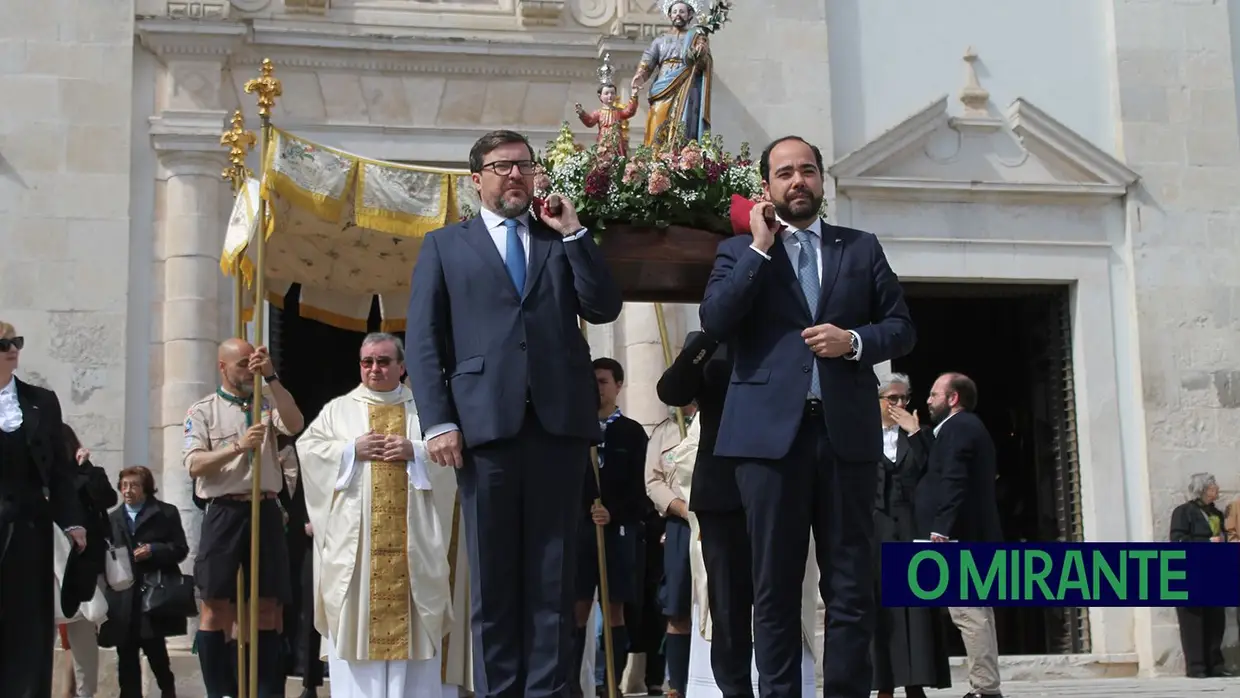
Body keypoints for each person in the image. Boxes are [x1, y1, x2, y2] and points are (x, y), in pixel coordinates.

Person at [405, 129, 623, 698]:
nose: (515, 176)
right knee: (496, 581)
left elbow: (604, 305)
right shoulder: (444, 246)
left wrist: (574, 232)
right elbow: (425, 341)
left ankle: (549, 691)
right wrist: (439, 420)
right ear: (476, 179)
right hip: (485, 429)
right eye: (502, 167)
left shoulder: (559, 239)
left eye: (524, 165)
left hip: (559, 428)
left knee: (554, 578)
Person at [697, 136, 916, 698]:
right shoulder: (738, 252)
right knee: (773, 584)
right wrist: (759, 248)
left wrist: (854, 341)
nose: (798, 181)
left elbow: (901, 327)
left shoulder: (859, 248)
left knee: (849, 585)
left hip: (844, 437)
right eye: (785, 173)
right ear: (766, 186)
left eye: (808, 171)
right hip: (768, 444)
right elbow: (717, 318)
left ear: (822, 180)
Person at [297, 333, 468, 698]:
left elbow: (453, 457)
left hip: (413, 552)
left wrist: (416, 451)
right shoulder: (339, 410)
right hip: (358, 558)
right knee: (357, 636)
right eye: (367, 362)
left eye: (384, 361)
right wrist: (349, 450)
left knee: (418, 636)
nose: (374, 368)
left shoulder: (426, 410)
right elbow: (308, 451)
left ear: (402, 366)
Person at [657, 331, 819, 697]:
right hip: (721, 492)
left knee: (776, 604)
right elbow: (672, 391)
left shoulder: (787, 335)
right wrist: (709, 338)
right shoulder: (707, 341)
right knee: (727, 611)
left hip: (779, 490)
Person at [182, 338, 305, 698]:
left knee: (267, 605)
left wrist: (272, 377)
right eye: (242, 365)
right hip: (225, 510)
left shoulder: (267, 404)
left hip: (264, 508)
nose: (249, 371)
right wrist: (236, 447)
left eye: (254, 363)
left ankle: (265, 690)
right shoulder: (203, 410)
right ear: (222, 367)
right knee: (215, 606)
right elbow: (193, 463)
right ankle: (220, 690)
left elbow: (295, 423)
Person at [0, 321, 88, 698]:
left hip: (29, 526)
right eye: (3, 343)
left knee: (29, 626)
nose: (12, 349)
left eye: (16, 342)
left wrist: (72, 521)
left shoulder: (41, 400)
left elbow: (61, 471)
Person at [915, 373, 1004, 698]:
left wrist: (941, 528)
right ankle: (987, 685)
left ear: (953, 398)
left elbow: (953, 479)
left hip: (961, 538)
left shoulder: (960, 427)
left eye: (934, 393)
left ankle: (985, 689)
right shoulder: (960, 429)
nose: (928, 400)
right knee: (977, 613)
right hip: (967, 537)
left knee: (970, 614)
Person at [570, 358, 648, 698]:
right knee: (577, 606)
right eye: (592, 381)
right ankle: (571, 684)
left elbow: (639, 485)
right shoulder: (576, 429)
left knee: (614, 605)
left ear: (618, 384)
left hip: (617, 530)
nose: (597, 387)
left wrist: (612, 513)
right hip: (581, 529)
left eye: (603, 381)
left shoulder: (630, 432)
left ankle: (612, 683)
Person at [869, 374, 950, 698]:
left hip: (910, 528)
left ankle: (916, 682)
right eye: (892, 399)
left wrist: (915, 433)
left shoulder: (919, 436)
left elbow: (933, 471)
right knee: (881, 607)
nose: (900, 405)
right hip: (876, 530)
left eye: (904, 399)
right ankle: (884, 683)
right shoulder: (862, 435)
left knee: (915, 609)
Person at [97, 466, 189, 698]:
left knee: (156, 651)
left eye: (134, 485)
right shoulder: (112, 519)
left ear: (146, 488)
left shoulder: (165, 513)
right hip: (123, 597)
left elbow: (180, 549)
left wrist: (154, 550)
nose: (128, 491)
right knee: (126, 656)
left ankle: (167, 690)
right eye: (124, 485)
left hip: (153, 594)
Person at [59, 425, 119, 698]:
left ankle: (85, 695)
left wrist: (85, 468)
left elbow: (107, 498)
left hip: (82, 566)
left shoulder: (88, 473)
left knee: (83, 638)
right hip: (43, 564)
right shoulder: (35, 475)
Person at [643, 402, 694, 697]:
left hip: (718, 523)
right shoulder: (663, 433)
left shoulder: (717, 418)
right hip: (680, 524)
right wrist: (682, 509)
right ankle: (678, 685)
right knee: (677, 607)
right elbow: (653, 480)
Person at [1171, 472, 1230, 679]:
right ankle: (1196, 667)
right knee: (1193, 621)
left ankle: (1215, 665)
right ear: (1203, 489)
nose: (1218, 491)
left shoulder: (1216, 514)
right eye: (1214, 488)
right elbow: (1177, 541)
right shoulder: (1183, 512)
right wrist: (1206, 544)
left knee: (1216, 619)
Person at [631, 0, 712, 150]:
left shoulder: (696, 37)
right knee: (657, 119)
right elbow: (648, 59)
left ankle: (682, 160)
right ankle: (654, 159)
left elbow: (704, 64)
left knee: (684, 125)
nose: (678, 15)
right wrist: (640, 75)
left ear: (689, 15)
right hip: (663, 85)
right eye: (674, 12)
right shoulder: (660, 40)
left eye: (682, 12)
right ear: (669, 15)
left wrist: (701, 52)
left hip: (687, 85)